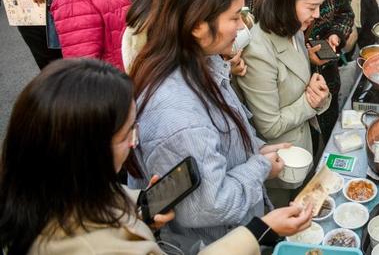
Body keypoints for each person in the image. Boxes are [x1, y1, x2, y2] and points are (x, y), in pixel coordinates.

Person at [0, 58, 313, 255]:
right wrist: (259, 229)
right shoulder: (88, 246)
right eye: (127, 135)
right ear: (86, 151)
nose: (136, 144)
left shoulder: (55, 187)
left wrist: (141, 213)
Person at [130, 0, 287, 248]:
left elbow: (223, 137)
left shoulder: (205, 62)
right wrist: (260, 166)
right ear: (198, 26)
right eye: (235, 17)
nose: (242, 26)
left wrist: (259, 148)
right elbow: (209, 204)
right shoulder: (177, 114)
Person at [247, 0, 354, 144]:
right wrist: (305, 55)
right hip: (286, 100)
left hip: (322, 82)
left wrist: (335, 35)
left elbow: (345, 13)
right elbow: (267, 48)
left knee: (325, 143)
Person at [238, 0, 331, 207]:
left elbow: (298, 86)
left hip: (303, 148)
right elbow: (268, 125)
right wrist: (310, 103)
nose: (317, 15)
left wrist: (316, 92)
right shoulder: (258, 49)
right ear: (286, 1)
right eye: (311, 7)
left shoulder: (294, 29)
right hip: (280, 164)